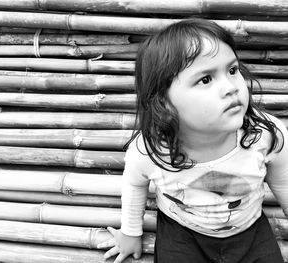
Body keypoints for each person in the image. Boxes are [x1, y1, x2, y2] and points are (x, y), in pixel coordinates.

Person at [97, 18, 288, 263]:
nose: (231, 87)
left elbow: (283, 179)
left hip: (249, 229)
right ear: (163, 102)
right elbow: (135, 184)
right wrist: (130, 232)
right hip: (183, 233)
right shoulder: (151, 149)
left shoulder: (263, 133)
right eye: (205, 79)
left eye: (232, 70)